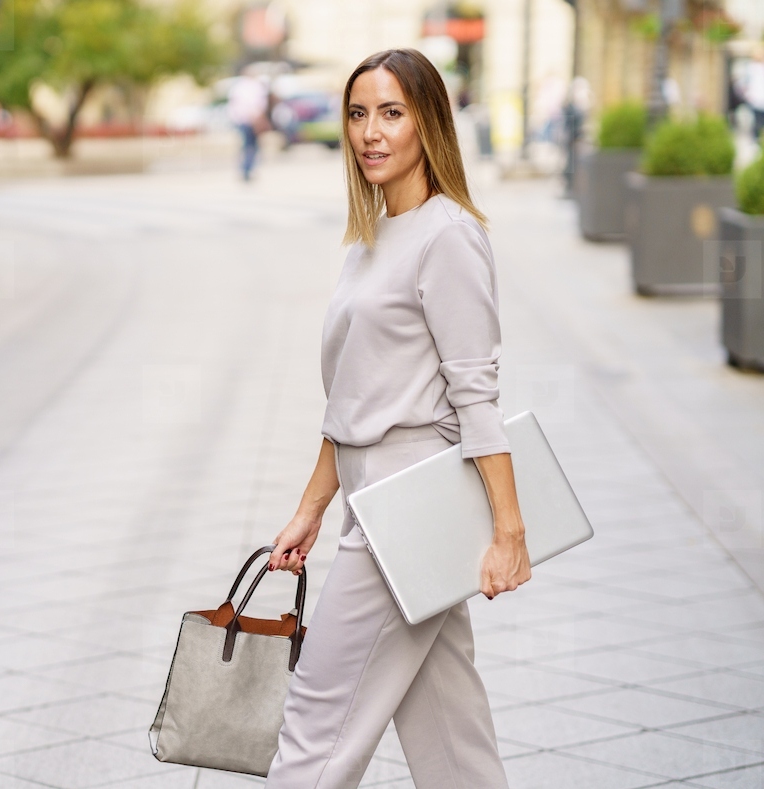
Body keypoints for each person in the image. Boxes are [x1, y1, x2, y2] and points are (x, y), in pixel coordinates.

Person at [263, 49, 529, 789]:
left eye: (391, 112)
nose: (371, 132)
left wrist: (509, 531)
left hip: (411, 502)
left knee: (317, 720)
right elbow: (349, 398)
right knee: (451, 733)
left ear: (428, 122)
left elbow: (475, 395)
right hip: (372, 495)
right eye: (358, 114)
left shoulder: (449, 235)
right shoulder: (370, 237)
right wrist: (311, 506)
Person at [227, 69, 270, 181]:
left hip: (242, 120)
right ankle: (247, 168)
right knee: (252, 146)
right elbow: (259, 105)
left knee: (246, 145)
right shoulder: (255, 87)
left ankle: (245, 168)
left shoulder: (237, 87)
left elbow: (233, 106)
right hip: (251, 120)